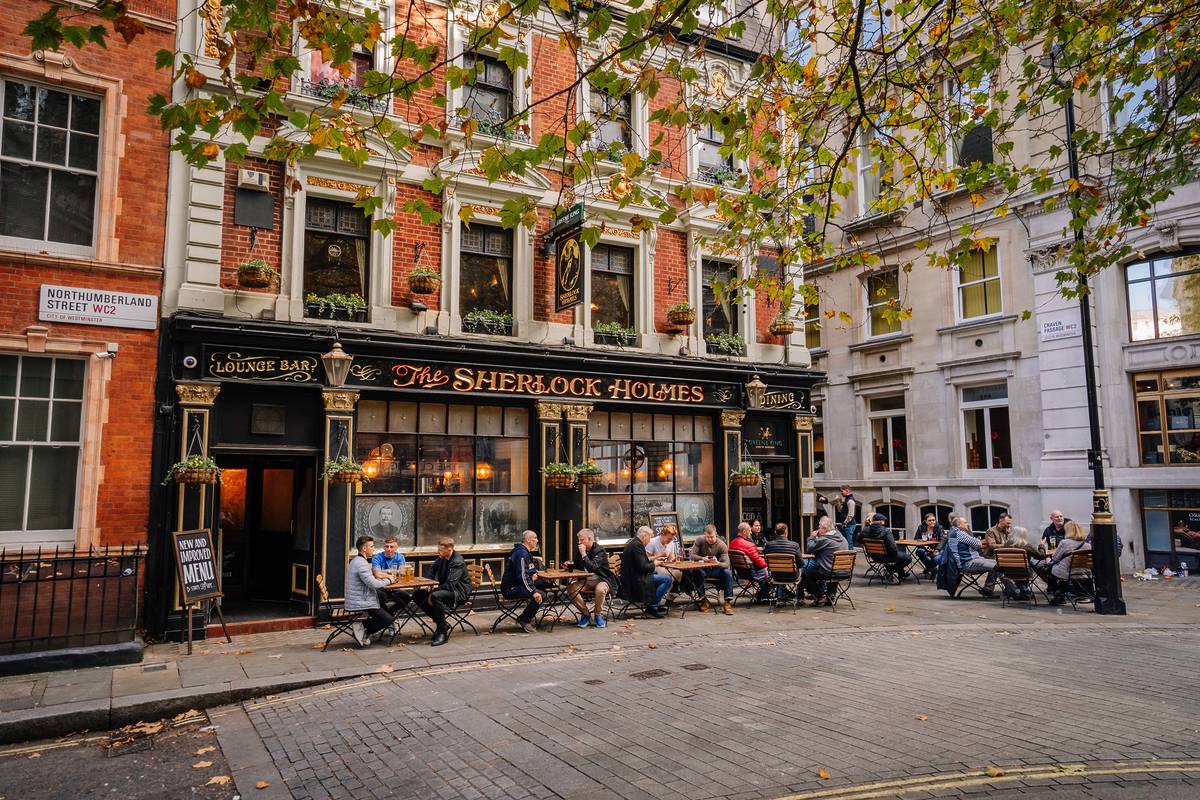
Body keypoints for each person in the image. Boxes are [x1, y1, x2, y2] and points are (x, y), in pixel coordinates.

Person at [413, 537, 472, 646]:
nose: (438, 552)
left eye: (440, 550)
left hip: (458, 592)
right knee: (417, 594)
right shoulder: (443, 558)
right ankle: (444, 623)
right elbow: (433, 567)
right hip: (447, 589)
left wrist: (432, 591)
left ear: (449, 549)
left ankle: (442, 632)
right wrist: (429, 584)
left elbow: (450, 585)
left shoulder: (457, 562)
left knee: (436, 596)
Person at [345, 535, 395, 647]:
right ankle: (363, 627)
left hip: (360, 597)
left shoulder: (357, 560)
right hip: (360, 601)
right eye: (371, 546)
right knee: (388, 619)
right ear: (364, 549)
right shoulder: (361, 563)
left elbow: (369, 580)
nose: (374, 549)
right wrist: (389, 580)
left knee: (382, 596)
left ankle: (365, 628)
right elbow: (373, 584)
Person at [501, 530, 551, 632]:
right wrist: (533, 592)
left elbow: (527, 571)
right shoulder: (521, 554)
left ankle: (525, 616)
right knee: (541, 594)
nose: (537, 540)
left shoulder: (524, 552)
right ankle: (524, 619)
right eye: (535, 538)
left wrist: (533, 574)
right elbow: (522, 575)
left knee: (545, 586)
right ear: (528, 540)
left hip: (517, 585)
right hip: (511, 589)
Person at [565, 528, 616, 628]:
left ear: (590, 539)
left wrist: (584, 554)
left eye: (582, 540)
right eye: (578, 540)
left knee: (600, 590)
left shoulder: (599, 550)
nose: (579, 542)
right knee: (571, 589)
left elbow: (592, 567)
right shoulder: (581, 550)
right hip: (586, 581)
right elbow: (577, 565)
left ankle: (597, 614)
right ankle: (586, 614)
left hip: (602, 579)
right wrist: (569, 565)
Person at [619, 526, 671, 618]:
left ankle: (653, 603)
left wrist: (656, 559)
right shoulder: (637, 546)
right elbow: (643, 567)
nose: (650, 540)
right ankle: (652, 607)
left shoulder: (634, 543)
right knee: (667, 579)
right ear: (644, 536)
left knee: (657, 575)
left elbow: (642, 561)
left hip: (631, 578)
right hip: (635, 582)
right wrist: (654, 564)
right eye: (649, 537)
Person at [1035, 521, 1090, 604]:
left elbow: (1056, 558)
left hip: (1066, 572)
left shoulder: (1065, 543)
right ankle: (1061, 593)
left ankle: (1058, 593)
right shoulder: (1087, 545)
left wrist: (1047, 557)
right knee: (1056, 571)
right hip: (1082, 571)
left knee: (1045, 569)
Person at [945, 516, 997, 597]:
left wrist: (975, 540)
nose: (967, 524)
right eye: (965, 522)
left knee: (998, 564)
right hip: (968, 563)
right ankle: (990, 590)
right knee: (997, 566)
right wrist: (976, 540)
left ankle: (988, 589)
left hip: (970, 561)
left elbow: (974, 542)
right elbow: (978, 543)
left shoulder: (954, 532)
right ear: (959, 525)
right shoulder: (959, 534)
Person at [690, 524, 735, 615]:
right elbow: (692, 555)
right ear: (704, 535)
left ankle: (727, 602)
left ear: (716, 534)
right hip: (702, 568)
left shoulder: (722, 545)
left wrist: (717, 562)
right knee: (697, 571)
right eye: (708, 537)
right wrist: (703, 558)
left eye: (712, 537)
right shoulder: (700, 540)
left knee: (727, 572)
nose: (710, 539)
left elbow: (726, 563)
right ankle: (703, 599)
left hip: (716, 569)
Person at [802, 516, 848, 605]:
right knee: (832, 567)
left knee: (806, 573)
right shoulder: (840, 536)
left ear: (825, 528)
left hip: (831, 572)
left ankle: (819, 596)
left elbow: (809, 549)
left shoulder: (824, 539)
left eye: (819, 527)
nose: (818, 529)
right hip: (844, 571)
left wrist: (812, 537)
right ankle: (831, 594)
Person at [860, 513, 913, 581]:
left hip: (874, 557)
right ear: (881, 521)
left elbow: (859, 540)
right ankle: (892, 570)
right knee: (908, 558)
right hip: (887, 557)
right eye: (884, 521)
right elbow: (892, 548)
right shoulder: (886, 531)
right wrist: (895, 555)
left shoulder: (865, 530)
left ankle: (897, 572)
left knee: (899, 552)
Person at [729, 521, 771, 601]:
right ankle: (764, 596)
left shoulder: (732, 543)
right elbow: (759, 563)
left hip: (740, 573)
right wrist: (769, 565)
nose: (751, 532)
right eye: (749, 531)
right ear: (744, 532)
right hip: (752, 574)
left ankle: (763, 595)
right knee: (775, 572)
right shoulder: (748, 545)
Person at [999, 526, 1045, 601]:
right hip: (1024, 573)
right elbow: (1041, 556)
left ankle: (1021, 591)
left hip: (1008, 573)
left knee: (1023, 565)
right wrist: (1041, 545)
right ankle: (1024, 591)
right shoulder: (1027, 546)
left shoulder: (1006, 545)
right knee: (1028, 564)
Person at [645, 524, 683, 607]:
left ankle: (671, 597)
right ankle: (656, 601)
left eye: (672, 539)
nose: (670, 541)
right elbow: (646, 559)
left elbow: (671, 558)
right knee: (669, 575)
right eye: (669, 538)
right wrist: (659, 556)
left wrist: (673, 559)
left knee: (680, 573)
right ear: (662, 535)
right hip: (654, 567)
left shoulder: (671, 543)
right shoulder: (652, 543)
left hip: (666, 566)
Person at [371, 535, 410, 613]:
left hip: (395, 587)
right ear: (383, 547)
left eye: (391, 547)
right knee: (380, 596)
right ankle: (387, 619)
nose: (389, 549)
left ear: (396, 548)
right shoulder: (377, 557)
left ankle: (389, 614)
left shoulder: (400, 557)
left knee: (406, 597)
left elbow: (402, 573)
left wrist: (383, 572)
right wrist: (393, 573)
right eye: (387, 546)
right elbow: (377, 574)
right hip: (381, 587)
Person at [763, 522, 801, 601]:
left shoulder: (769, 545)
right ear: (786, 532)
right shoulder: (795, 545)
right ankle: (800, 598)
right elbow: (801, 564)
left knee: (780, 570)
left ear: (775, 532)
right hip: (792, 576)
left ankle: (781, 596)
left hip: (775, 576)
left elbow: (765, 559)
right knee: (804, 569)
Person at [980, 513, 1014, 594]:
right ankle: (989, 588)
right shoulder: (991, 531)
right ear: (1000, 521)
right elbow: (992, 546)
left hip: (1004, 556)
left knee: (1017, 562)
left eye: (1010, 523)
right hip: (990, 555)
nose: (1009, 525)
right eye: (1007, 523)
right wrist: (1006, 545)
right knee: (998, 564)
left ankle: (1014, 588)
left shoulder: (1009, 530)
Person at [839, 485, 860, 549]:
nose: (841, 493)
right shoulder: (847, 499)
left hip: (849, 525)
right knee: (846, 542)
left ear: (847, 490)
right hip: (847, 524)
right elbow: (840, 510)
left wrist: (845, 523)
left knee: (849, 542)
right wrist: (838, 502)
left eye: (842, 491)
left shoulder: (850, 501)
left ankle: (850, 557)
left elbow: (851, 515)